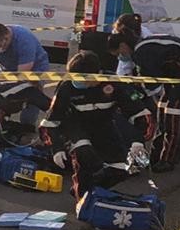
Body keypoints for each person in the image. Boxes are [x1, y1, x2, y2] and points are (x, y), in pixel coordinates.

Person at [39, 51, 155, 198]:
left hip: (104, 126)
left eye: (82, 79)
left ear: (97, 75)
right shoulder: (66, 88)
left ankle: (89, 189)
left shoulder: (114, 83)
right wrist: (56, 148)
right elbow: (50, 122)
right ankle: (82, 197)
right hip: (75, 127)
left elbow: (140, 113)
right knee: (84, 153)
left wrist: (138, 141)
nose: (78, 82)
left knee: (125, 168)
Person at [107, 14, 180, 173]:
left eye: (120, 52)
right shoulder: (142, 48)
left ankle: (168, 160)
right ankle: (155, 156)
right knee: (163, 112)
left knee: (176, 116)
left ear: (124, 44)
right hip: (175, 74)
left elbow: (151, 85)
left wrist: (137, 94)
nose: (121, 56)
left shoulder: (143, 51)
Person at [0, 22, 51, 125]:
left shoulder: (24, 40)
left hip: (33, 70)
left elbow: (21, 76)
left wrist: (5, 97)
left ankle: (27, 127)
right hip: (6, 69)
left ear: (6, 38)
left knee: (30, 94)